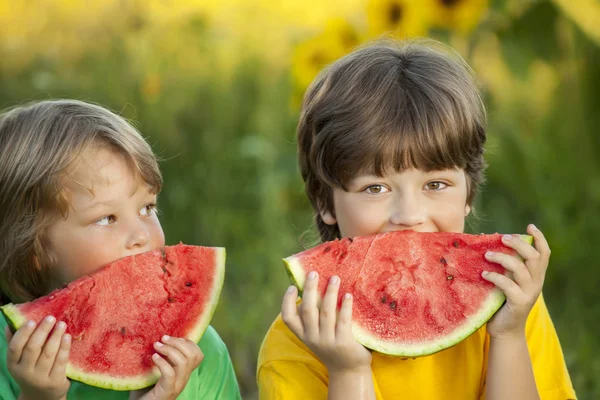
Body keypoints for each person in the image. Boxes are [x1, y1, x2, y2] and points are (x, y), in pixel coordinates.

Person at [257, 40, 576, 399]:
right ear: (324, 200)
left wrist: (508, 336)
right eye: (375, 188)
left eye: (435, 184)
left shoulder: (512, 302)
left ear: (469, 192)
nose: (409, 216)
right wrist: (348, 371)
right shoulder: (296, 344)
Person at [0, 99, 241, 400]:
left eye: (147, 208)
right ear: (33, 247)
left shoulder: (199, 353)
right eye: (106, 218)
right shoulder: (6, 357)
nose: (141, 235)